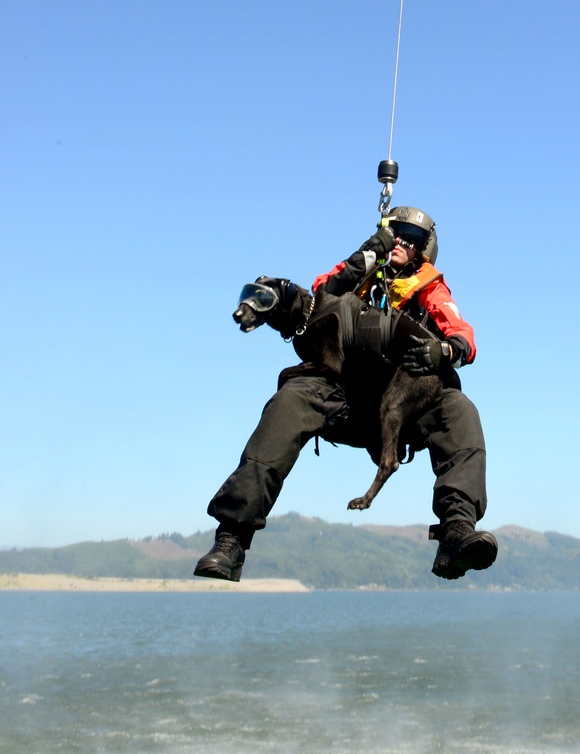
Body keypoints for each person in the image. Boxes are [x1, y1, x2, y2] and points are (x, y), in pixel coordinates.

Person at [193, 206, 497, 584]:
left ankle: (456, 531)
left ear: (425, 249)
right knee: (289, 401)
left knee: (460, 410)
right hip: (343, 393)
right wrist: (371, 250)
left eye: (412, 237)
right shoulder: (361, 272)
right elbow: (322, 291)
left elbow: (463, 334)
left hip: (404, 402)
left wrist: (446, 350)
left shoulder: (429, 287)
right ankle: (231, 540)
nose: (401, 241)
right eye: (396, 232)